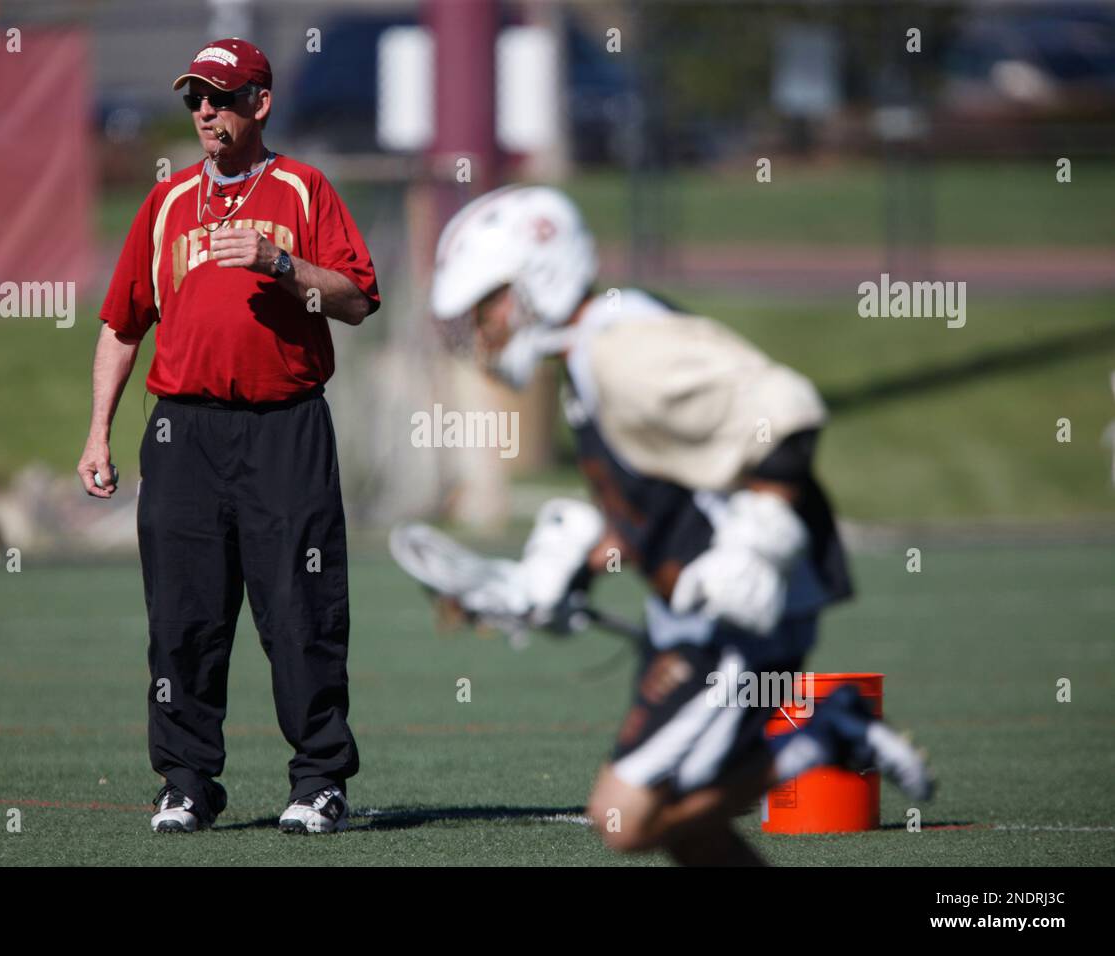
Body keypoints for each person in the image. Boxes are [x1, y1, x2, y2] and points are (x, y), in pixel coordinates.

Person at [429, 184, 932, 865]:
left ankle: (825, 735)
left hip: (737, 611)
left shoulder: (620, 349)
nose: (483, 330)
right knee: (689, 830)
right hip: (697, 611)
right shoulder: (588, 350)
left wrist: (758, 543)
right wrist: (555, 576)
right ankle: (822, 737)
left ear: (536, 279)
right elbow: (659, 502)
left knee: (624, 817)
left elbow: (784, 407)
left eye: (487, 305)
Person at [77, 38, 379, 835]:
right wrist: (97, 435)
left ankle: (318, 780)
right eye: (194, 98)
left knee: (301, 608)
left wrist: (283, 265)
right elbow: (120, 325)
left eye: (220, 95)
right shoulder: (168, 200)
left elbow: (354, 299)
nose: (205, 111)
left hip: (285, 427)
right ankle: (185, 781)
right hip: (183, 433)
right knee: (182, 615)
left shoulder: (304, 190)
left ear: (260, 103)